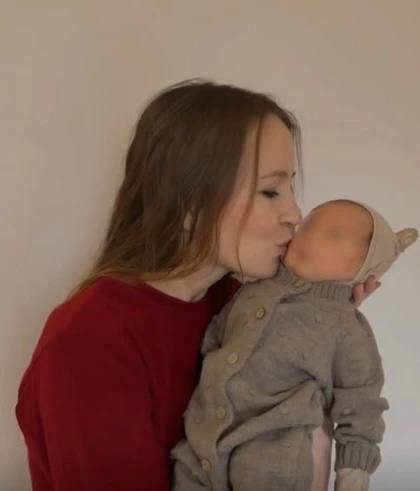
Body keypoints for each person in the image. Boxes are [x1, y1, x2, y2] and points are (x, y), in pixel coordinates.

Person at [15, 79, 380, 491]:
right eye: (270, 191)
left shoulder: (239, 306)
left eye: (291, 187)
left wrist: (324, 329)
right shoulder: (89, 342)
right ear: (188, 202)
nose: (295, 214)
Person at [170, 198, 417, 491]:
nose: (309, 234)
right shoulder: (254, 286)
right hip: (202, 441)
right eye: (308, 224)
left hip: (276, 455)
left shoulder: (347, 328)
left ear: (364, 269)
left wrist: (353, 477)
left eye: (333, 234)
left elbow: (362, 406)